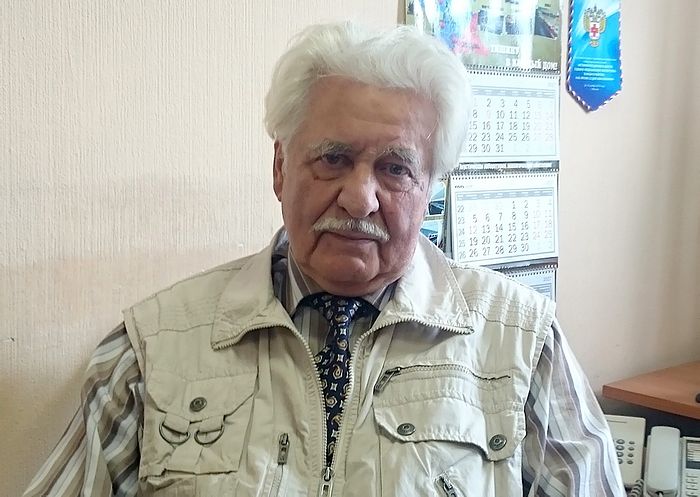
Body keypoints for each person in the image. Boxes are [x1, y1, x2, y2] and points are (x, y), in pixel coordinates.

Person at [24, 21, 625, 497]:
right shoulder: (152, 348)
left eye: (395, 168)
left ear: (430, 189)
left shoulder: (522, 344)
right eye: (333, 158)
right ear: (280, 167)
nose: (360, 198)